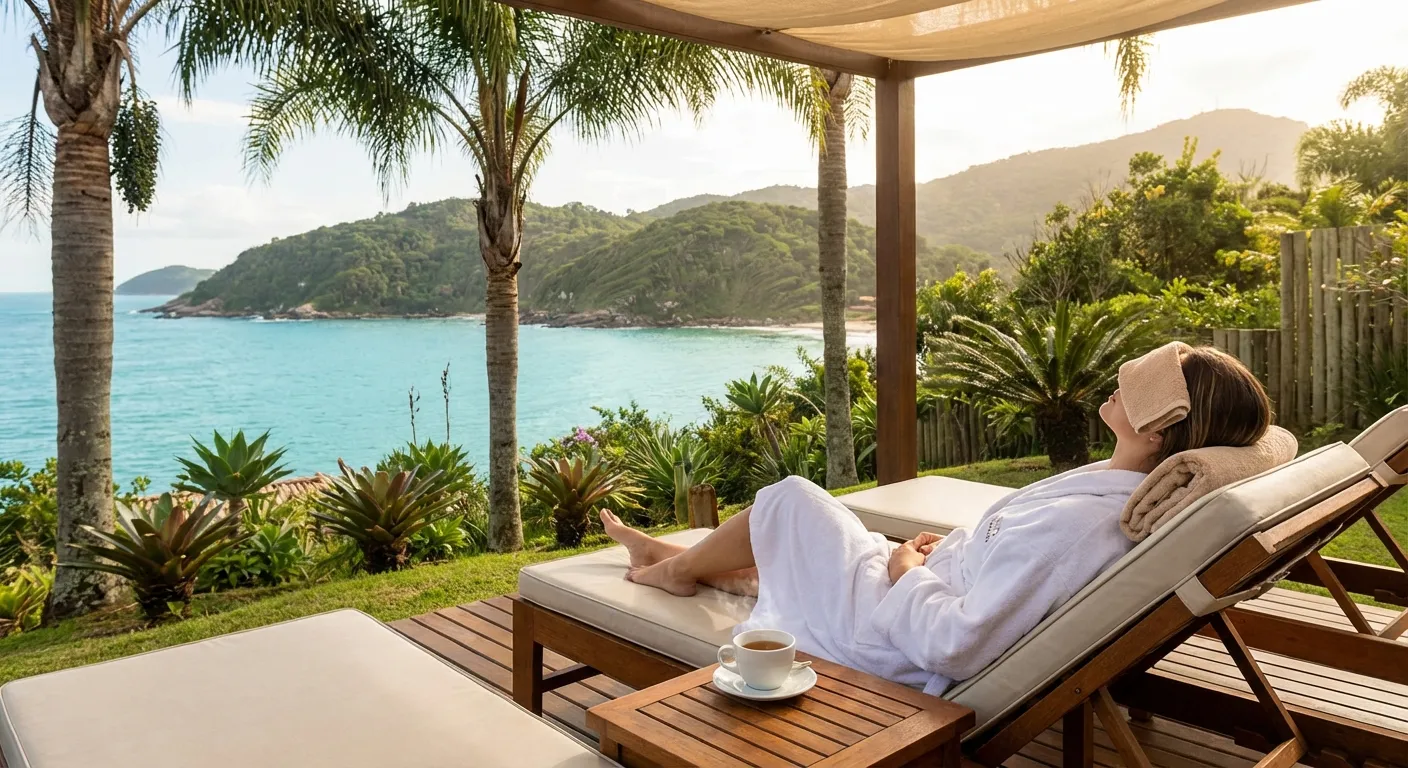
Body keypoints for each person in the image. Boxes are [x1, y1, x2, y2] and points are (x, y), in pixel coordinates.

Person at [600, 346, 1273, 695]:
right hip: (926, 585)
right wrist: (937, 558)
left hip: (892, 637)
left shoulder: (1080, 529)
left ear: (1163, 431)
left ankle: (675, 572)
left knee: (793, 497)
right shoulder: (1120, 490)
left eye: (1138, 390)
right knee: (812, 524)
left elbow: (956, 645)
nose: (1120, 384)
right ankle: (671, 559)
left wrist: (905, 570)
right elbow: (1003, 576)